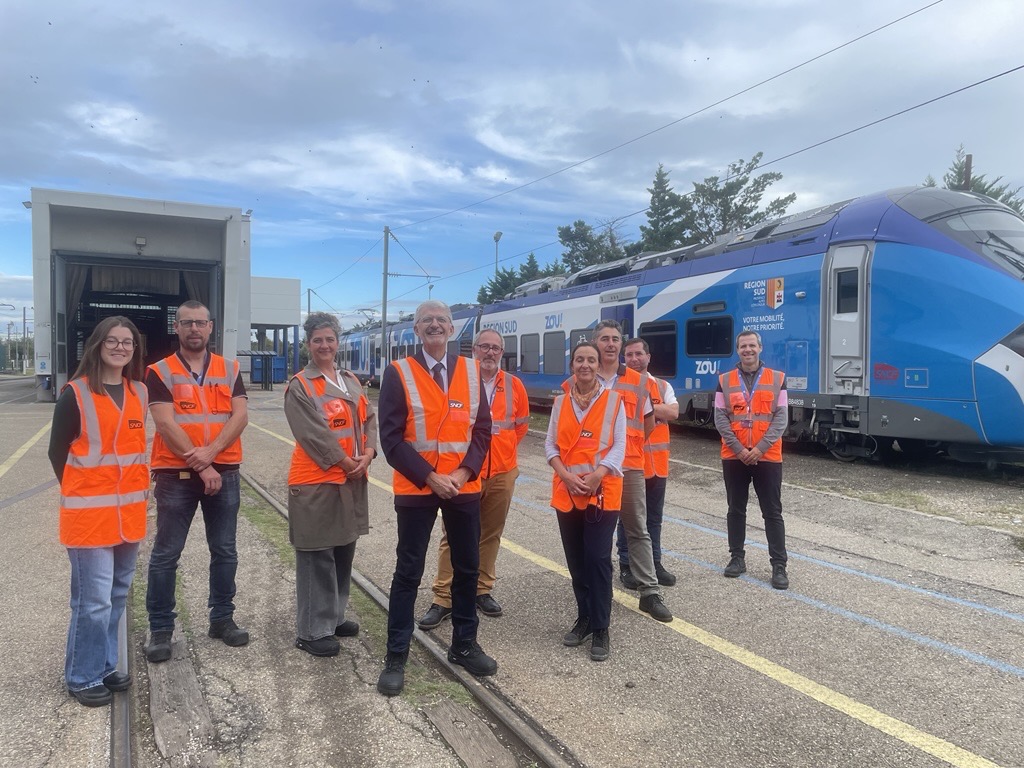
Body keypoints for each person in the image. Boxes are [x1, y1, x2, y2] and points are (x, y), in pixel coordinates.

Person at [376, 300, 497, 696]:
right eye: (426, 320)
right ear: (416, 329)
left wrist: (461, 474)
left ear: (451, 328)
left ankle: (464, 644)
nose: (434, 325)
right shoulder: (398, 373)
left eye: (441, 320)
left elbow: (482, 431)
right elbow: (392, 440)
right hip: (417, 487)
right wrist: (431, 477)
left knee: (467, 568)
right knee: (408, 570)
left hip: (462, 487)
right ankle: (396, 655)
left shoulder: (469, 370)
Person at [48, 316, 149, 706]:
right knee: (93, 601)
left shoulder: (138, 391)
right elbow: (58, 453)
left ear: (134, 350)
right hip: (89, 516)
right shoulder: (75, 394)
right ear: (97, 344)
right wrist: (83, 492)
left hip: (129, 515)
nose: (121, 347)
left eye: (128, 342)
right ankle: (82, 675)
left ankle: (105, 664)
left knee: (118, 595)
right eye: (113, 340)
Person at [144, 300, 250, 663]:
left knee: (225, 550)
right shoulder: (159, 371)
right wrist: (203, 464)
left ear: (210, 327)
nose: (193, 329)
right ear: (176, 327)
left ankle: (222, 619)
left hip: (225, 470)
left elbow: (240, 417)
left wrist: (212, 453)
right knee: (166, 555)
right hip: (176, 475)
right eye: (186, 323)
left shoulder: (229, 368)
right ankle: (160, 629)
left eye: (199, 323)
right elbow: (165, 423)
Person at [419, 329, 529, 630]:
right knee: (451, 536)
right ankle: (443, 597)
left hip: (502, 472)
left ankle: (482, 589)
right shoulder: (460, 381)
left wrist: (501, 455)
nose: (490, 353)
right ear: (473, 350)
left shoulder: (515, 386)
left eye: (495, 348)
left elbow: (519, 427)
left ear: (501, 352)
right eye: (484, 347)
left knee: (491, 533)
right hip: (464, 473)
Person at [564, 320, 672, 622]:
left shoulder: (639, 381)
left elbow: (649, 421)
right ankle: (592, 589)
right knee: (591, 530)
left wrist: (629, 448)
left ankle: (649, 592)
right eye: (604, 339)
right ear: (595, 343)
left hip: (628, 467)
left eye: (615, 339)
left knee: (637, 527)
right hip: (589, 469)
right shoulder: (578, 378)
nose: (610, 344)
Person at [284, 312, 377, 657]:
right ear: (308, 344)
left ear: (338, 343)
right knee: (317, 555)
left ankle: (333, 618)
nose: (324, 345)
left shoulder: (350, 379)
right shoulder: (301, 385)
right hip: (316, 482)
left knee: (343, 550)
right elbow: (313, 434)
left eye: (330, 339)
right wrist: (346, 463)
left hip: (351, 478)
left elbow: (369, 419)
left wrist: (368, 453)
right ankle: (311, 630)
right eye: (317, 340)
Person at [547, 342, 626, 661]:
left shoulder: (614, 401)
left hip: (602, 492)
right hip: (567, 492)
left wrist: (597, 475)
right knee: (577, 561)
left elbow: (620, 445)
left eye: (591, 360)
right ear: (572, 366)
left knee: (597, 559)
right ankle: (584, 618)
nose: (585, 365)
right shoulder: (560, 403)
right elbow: (550, 446)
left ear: (598, 364)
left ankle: (602, 626)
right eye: (579, 359)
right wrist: (565, 475)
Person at [714, 330, 790, 590]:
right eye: (743, 346)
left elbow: (781, 418)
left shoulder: (778, 379)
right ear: (738, 350)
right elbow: (720, 418)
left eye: (751, 345)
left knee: (772, 512)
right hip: (734, 456)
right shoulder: (724, 380)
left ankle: (779, 567)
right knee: (736, 509)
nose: (747, 350)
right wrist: (739, 449)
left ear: (760, 348)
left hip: (767, 456)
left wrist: (759, 448)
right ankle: (737, 559)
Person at [617, 337, 679, 588]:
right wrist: (657, 409)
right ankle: (625, 565)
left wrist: (649, 409)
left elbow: (674, 413)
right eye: (629, 355)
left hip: (658, 466)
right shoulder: (620, 385)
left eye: (638, 354)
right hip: (632, 464)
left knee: (654, 518)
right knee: (628, 519)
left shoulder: (662, 385)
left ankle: (655, 562)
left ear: (648, 357)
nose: (633, 359)